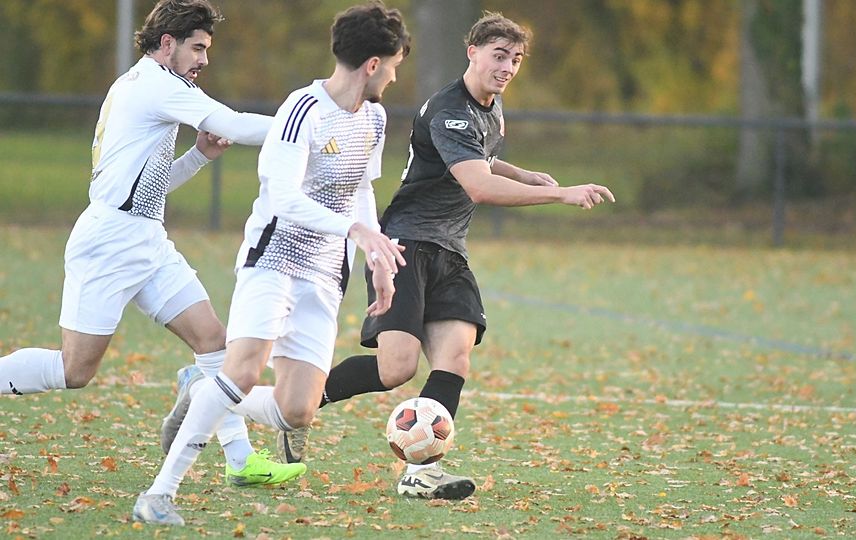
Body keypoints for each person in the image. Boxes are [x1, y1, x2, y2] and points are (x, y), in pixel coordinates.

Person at [275, 12, 615, 501]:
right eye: (499, 56)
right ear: (472, 51)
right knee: (396, 369)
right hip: (407, 245)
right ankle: (297, 409)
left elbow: (482, 157)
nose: (508, 67)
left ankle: (421, 473)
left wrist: (524, 174)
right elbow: (477, 184)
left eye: (516, 59)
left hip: (450, 251)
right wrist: (561, 195)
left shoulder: (490, 107)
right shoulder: (450, 108)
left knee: (455, 358)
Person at [0, 0, 304, 486]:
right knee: (76, 370)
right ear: (168, 44)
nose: (204, 59)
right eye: (198, 48)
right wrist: (308, 127)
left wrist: (199, 156)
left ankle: (241, 461)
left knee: (213, 341)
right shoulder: (157, 85)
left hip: (145, 238)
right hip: (108, 244)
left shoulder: (143, 83)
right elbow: (236, 123)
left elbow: (148, 190)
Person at [132, 1, 410, 526]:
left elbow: (360, 191)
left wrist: (374, 253)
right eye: (393, 65)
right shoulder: (301, 109)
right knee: (239, 373)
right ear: (373, 63)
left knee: (296, 410)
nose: (395, 76)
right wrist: (354, 229)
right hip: (274, 257)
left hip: (327, 272)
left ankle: (199, 390)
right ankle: (159, 492)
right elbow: (283, 197)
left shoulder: (374, 116)